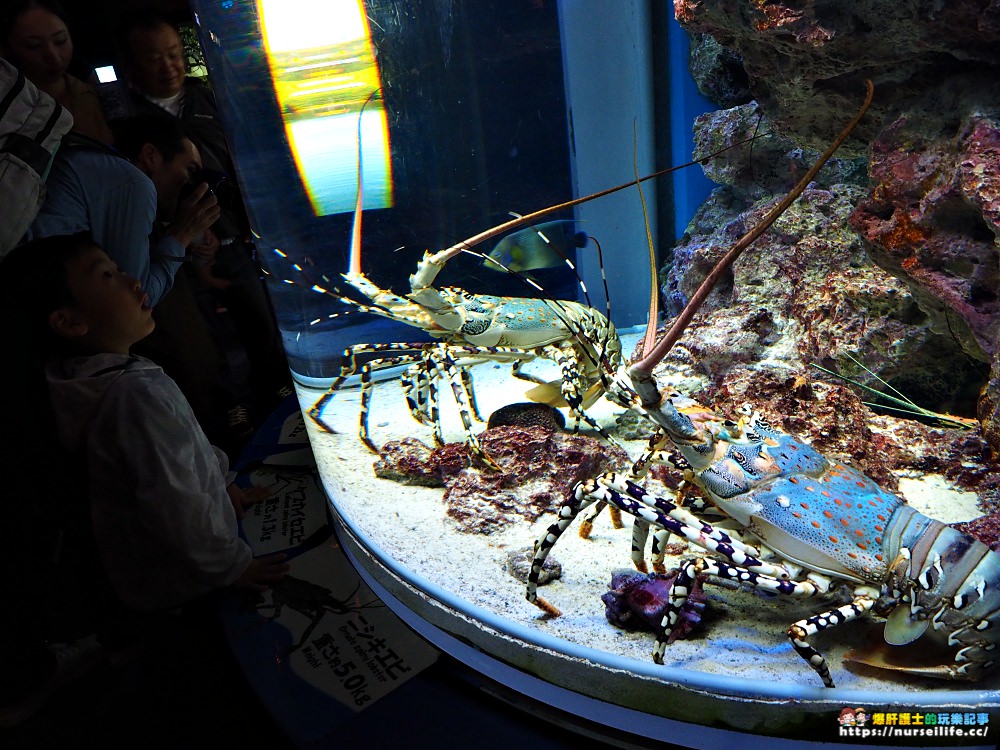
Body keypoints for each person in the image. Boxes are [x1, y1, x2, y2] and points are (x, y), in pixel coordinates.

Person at [0, 232, 289, 614]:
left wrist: (221, 483)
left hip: (163, 567)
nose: (132, 280)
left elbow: (187, 451)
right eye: (107, 276)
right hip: (188, 582)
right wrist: (232, 566)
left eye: (119, 269)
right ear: (69, 321)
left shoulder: (88, 377)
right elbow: (175, 506)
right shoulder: (130, 396)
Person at [122, 10, 293, 422]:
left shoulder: (209, 96)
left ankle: (280, 390)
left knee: (258, 315)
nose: (169, 66)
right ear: (132, 64)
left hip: (231, 231)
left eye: (175, 54)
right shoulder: (124, 115)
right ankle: (230, 409)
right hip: (169, 240)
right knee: (200, 333)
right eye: (154, 58)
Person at [29, 113, 220, 307]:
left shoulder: (102, 166)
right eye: (191, 171)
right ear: (150, 155)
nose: (194, 186)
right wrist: (181, 235)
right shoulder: (134, 183)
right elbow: (135, 300)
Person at [0, 0, 112, 143]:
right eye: (34, 46)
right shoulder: (8, 110)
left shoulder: (99, 96)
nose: (54, 57)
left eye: (60, 41)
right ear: (7, 48)